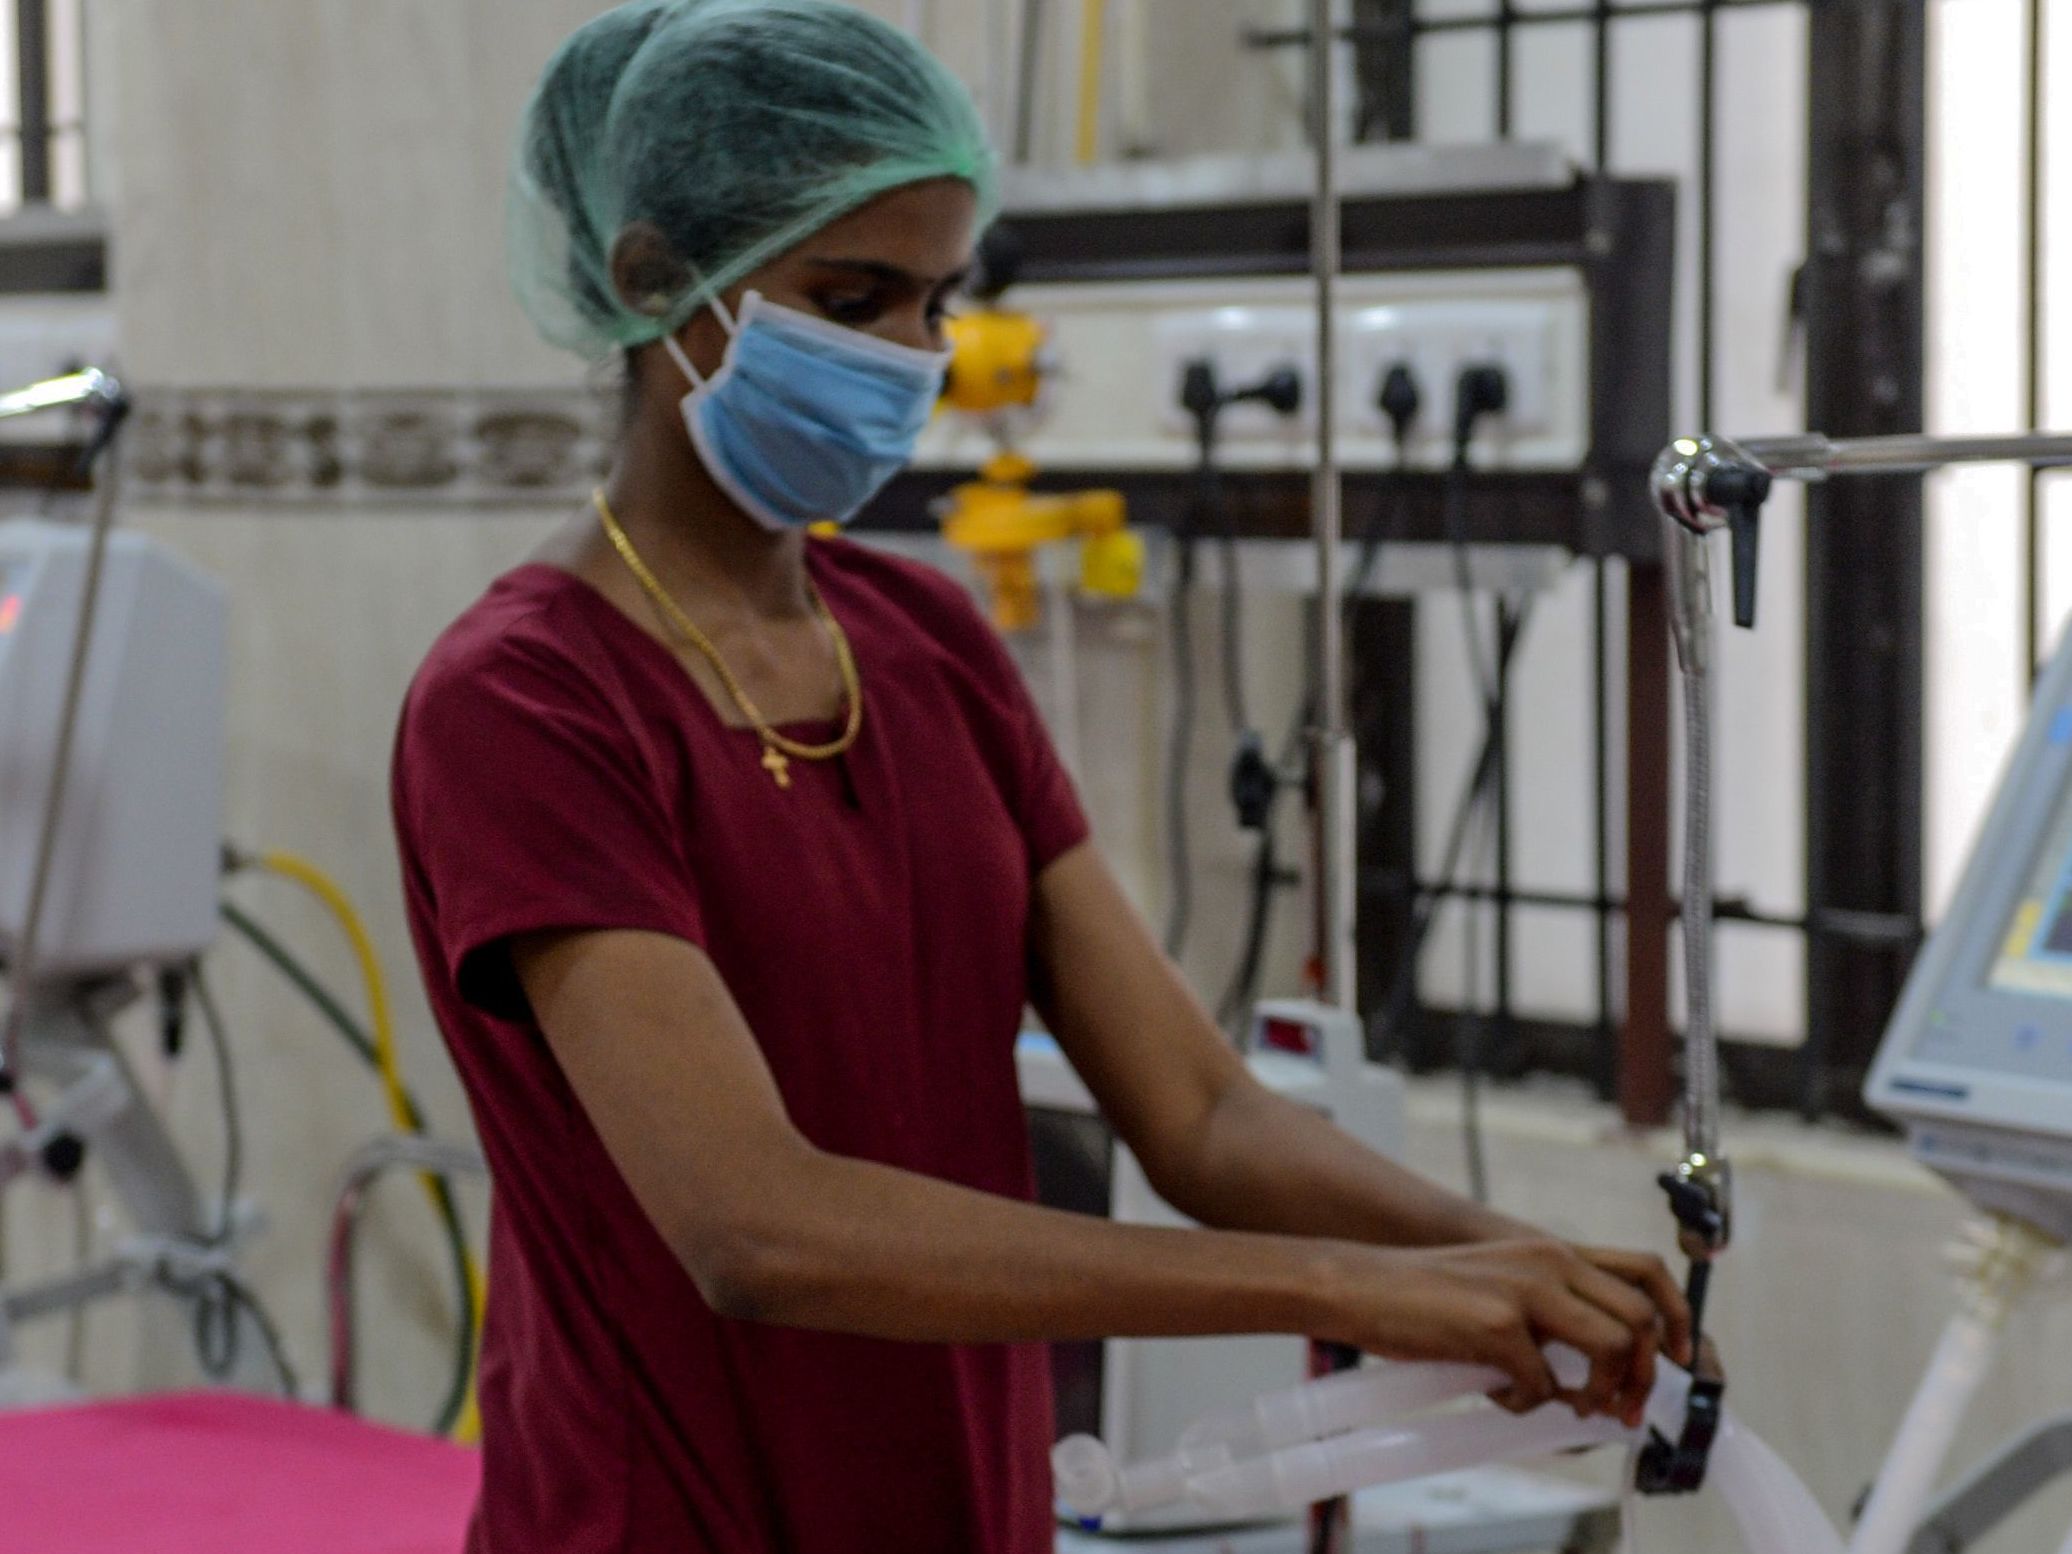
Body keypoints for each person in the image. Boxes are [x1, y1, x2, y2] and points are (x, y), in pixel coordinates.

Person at [391, 3, 1693, 1551]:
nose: (908, 358)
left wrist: (1518, 1260)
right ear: (655, 278)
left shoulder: (924, 643)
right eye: (852, 295)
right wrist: (1361, 1288)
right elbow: (757, 1224)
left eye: (939, 300)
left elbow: (1198, 1110)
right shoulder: (529, 702)